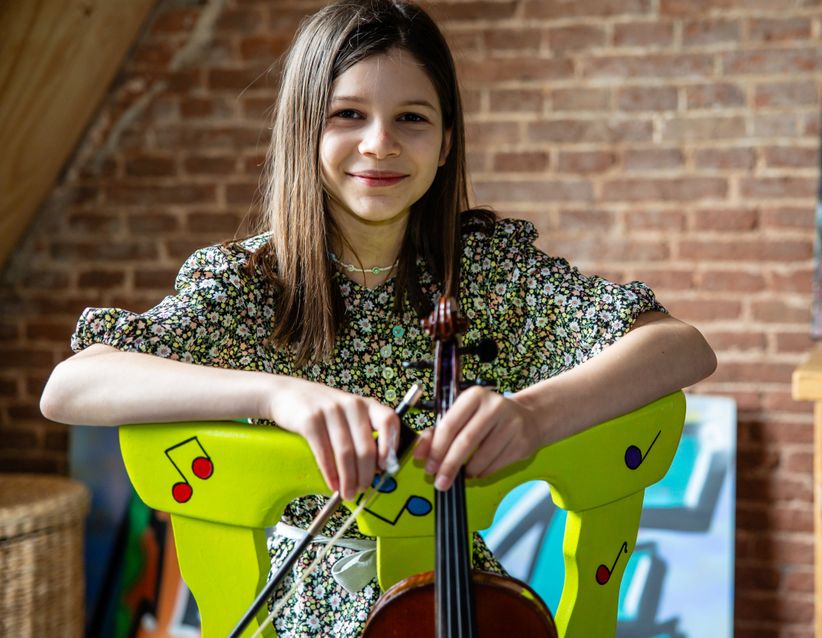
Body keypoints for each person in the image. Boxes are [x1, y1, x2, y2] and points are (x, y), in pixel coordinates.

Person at [40, 1, 716, 635]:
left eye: (413, 119)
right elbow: (71, 387)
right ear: (304, 129)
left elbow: (681, 348)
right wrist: (278, 394)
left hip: (453, 604)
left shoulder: (488, 273)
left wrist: (534, 414)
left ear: (448, 141)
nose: (380, 144)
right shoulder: (252, 285)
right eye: (348, 115)